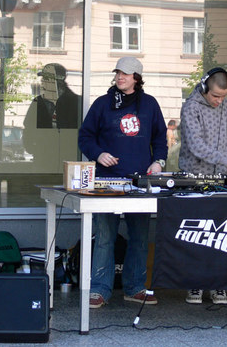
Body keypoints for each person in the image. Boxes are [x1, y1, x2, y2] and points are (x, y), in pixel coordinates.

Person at [78, 57, 167, 309]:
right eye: (118, 72)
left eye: (125, 74)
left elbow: (161, 138)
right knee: (105, 237)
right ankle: (99, 290)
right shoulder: (102, 104)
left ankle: (135, 287)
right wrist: (98, 154)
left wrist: (158, 162)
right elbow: (85, 137)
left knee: (139, 236)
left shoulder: (149, 104)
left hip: (139, 182)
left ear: (137, 78)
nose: (120, 77)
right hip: (106, 181)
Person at [178, 67, 227, 305]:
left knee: (222, 233)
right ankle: (195, 284)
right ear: (204, 87)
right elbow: (195, 145)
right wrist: (226, 161)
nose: (219, 101)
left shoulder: (225, 106)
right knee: (198, 234)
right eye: (215, 96)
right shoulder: (191, 107)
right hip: (195, 178)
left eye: (223, 96)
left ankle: (219, 284)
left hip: (221, 178)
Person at [22, 62, 81, 174]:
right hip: (43, 160)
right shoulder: (38, 102)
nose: (42, 81)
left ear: (58, 81)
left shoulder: (76, 102)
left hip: (69, 160)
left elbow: (83, 131)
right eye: (43, 78)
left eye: (46, 78)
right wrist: (32, 148)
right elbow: (28, 127)